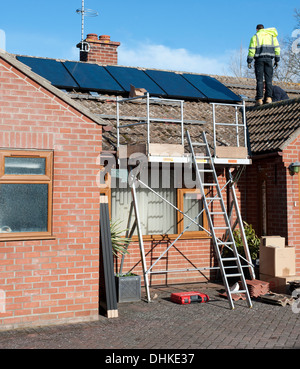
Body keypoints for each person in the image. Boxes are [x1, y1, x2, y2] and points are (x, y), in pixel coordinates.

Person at [247, 24, 280, 105]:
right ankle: (269, 98)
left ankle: (259, 99)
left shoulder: (255, 36)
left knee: (260, 80)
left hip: (259, 60)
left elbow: (252, 49)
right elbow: (277, 48)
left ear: (257, 29)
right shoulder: (272, 36)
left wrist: (249, 61)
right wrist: (277, 60)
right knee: (269, 79)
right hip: (269, 59)